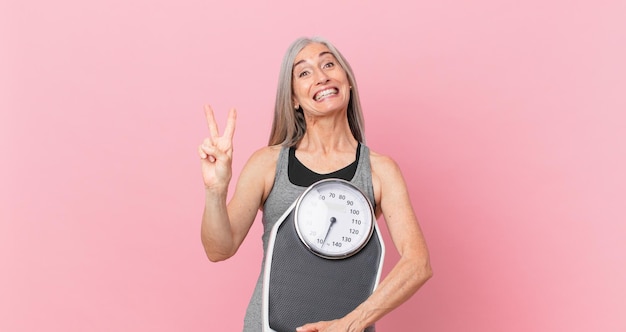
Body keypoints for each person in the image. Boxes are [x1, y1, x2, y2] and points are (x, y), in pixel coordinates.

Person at [198, 36, 432, 332]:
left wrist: (349, 325)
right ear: (294, 98)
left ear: (347, 81)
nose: (321, 77)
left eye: (329, 64)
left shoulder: (380, 171)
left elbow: (418, 263)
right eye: (304, 73)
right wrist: (215, 191)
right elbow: (219, 249)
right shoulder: (268, 164)